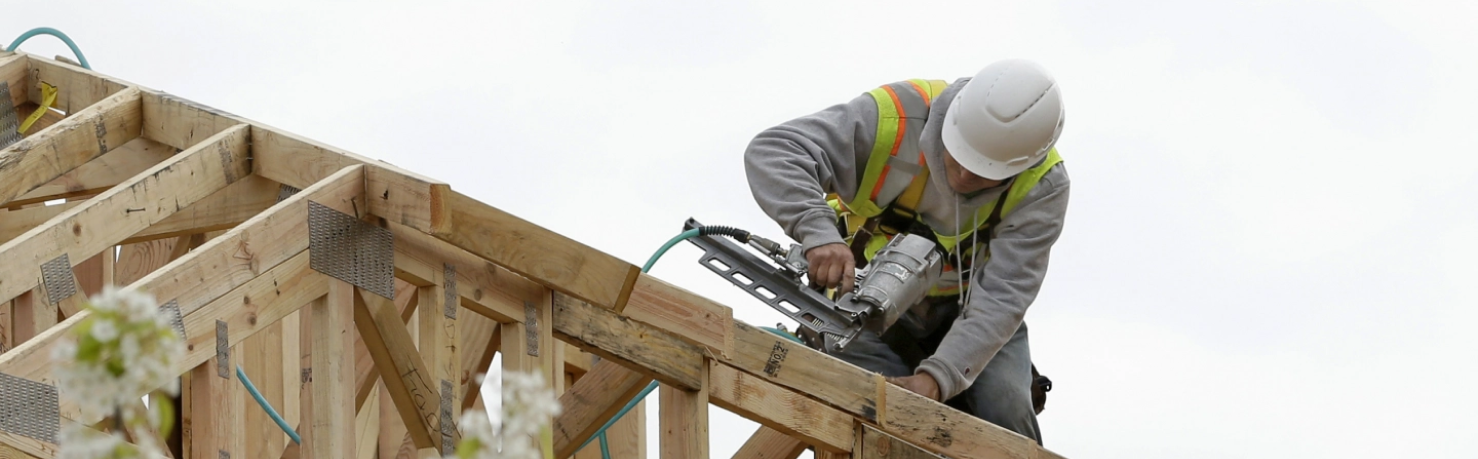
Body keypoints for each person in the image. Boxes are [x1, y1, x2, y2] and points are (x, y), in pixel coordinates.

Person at [743, 59, 1069, 444]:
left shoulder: (1041, 187)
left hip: (969, 311)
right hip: (864, 298)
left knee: (1006, 413)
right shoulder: (896, 118)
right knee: (872, 407)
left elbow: (1003, 297)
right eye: (960, 154)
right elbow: (774, 150)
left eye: (985, 171)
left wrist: (938, 378)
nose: (965, 175)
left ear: (1021, 165)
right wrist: (818, 233)